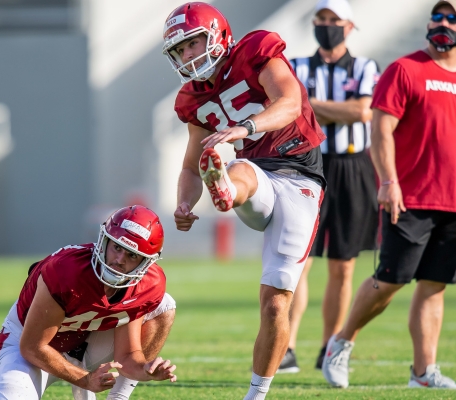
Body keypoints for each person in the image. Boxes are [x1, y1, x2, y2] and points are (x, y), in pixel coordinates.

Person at [162, 3, 325, 398]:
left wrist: (243, 128)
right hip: (255, 174)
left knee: (275, 305)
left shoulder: (254, 51)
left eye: (192, 43)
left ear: (217, 35)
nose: (187, 56)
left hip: (300, 175)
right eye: (179, 51)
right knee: (236, 169)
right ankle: (224, 191)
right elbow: (188, 167)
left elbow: (289, 102)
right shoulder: (193, 99)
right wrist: (184, 202)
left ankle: (256, 395)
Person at [322, 0, 456, 389]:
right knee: (390, 280)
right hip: (410, 197)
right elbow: (380, 132)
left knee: (434, 285)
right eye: (438, 16)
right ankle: (341, 341)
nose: (442, 23)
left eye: (451, 17)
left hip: (452, 202)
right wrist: (388, 181)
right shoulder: (405, 69)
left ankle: (423, 373)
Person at [0, 205, 177, 400]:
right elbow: (32, 346)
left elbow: (128, 356)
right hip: (30, 344)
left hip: (86, 344)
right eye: (117, 247)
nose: (119, 260)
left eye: (131, 255)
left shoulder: (148, 285)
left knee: (164, 304)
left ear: (145, 262)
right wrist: (85, 380)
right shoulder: (67, 271)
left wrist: (146, 370)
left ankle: (119, 397)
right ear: (104, 241)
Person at [282, 0, 379, 372]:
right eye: (320, 19)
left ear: (349, 26)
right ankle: (286, 345)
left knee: (343, 265)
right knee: (298, 261)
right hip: (310, 166)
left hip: (354, 167)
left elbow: (362, 111)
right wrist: (332, 107)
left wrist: (309, 104)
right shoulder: (296, 66)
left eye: (332, 20)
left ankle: (329, 346)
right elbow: (290, 107)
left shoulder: (365, 67)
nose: (325, 25)